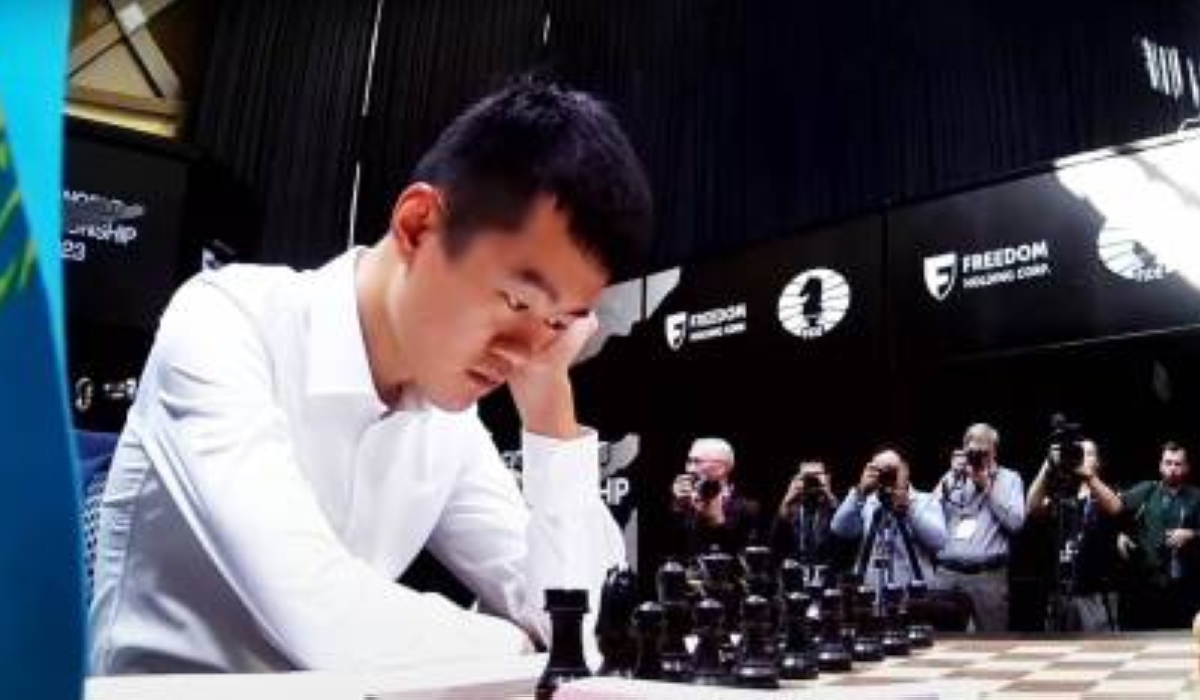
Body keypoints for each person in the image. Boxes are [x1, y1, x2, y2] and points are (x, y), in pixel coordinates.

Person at [89, 79, 654, 673]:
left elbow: (583, 624)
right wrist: (519, 646)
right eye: (517, 303)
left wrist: (550, 415)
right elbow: (319, 614)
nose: (528, 349)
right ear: (417, 226)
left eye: (560, 321)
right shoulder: (225, 321)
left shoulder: (447, 417)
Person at [1090, 441, 1200, 629]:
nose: (1172, 468)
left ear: (1186, 467)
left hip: (1184, 586)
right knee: (1145, 641)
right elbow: (1115, 507)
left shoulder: (1196, 496)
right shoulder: (1147, 490)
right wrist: (1120, 533)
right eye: (1168, 462)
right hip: (1147, 585)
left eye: (1177, 463)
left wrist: (1193, 534)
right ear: (1160, 465)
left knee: (1181, 643)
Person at [934, 423, 1026, 631]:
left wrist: (987, 488)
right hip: (948, 575)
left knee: (992, 643)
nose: (978, 457)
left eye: (984, 451)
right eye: (973, 451)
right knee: (941, 644)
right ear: (964, 449)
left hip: (988, 576)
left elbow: (1016, 523)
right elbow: (928, 516)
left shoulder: (1010, 479)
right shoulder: (952, 479)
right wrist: (950, 476)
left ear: (995, 450)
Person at [1025, 438, 1121, 631]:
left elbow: (1115, 507)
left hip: (1095, 593)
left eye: (1089, 453)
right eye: (1079, 453)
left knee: (1100, 653)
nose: (1083, 458)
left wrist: (1089, 478)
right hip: (1060, 591)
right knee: (1057, 654)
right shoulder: (1061, 496)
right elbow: (1032, 507)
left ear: (1098, 462)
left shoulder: (1107, 493)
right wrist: (1048, 465)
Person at [832, 448, 947, 587]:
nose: (887, 476)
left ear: (905, 470)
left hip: (914, 589)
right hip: (870, 588)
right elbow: (840, 530)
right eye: (880, 470)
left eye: (892, 470)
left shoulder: (925, 500)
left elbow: (938, 542)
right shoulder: (865, 501)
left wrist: (910, 508)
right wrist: (860, 491)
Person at [668, 437, 763, 558]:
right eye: (688, 461)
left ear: (722, 467)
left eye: (697, 462)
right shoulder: (682, 501)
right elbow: (665, 549)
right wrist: (678, 507)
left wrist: (718, 523)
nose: (689, 469)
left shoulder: (749, 508)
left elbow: (745, 557)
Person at [769, 460, 840, 567]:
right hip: (794, 571)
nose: (812, 481)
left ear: (828, 478)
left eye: (817, 475)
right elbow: (773, 546)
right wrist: (786, 501)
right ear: (795, 480)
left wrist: (829, 497)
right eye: (806, 477)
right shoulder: (790, 510)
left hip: (827, 571)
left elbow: (845, 538)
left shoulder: (836, 507)